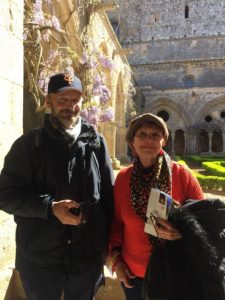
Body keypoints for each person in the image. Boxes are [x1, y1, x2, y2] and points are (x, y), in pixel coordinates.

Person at [0, 73, 114, 300]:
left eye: (75, 99)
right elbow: (5, 195)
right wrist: (49, 208)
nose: (70, 106)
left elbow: (108, 200)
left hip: (86, 261)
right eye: (62, 100)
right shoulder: (30, 144)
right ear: (48, 101)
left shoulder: (96, 143)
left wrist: (109, 248)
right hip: (40, 262)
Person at [109, 113, 204, 300]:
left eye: (155, 135)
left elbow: (204, 220)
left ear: (164, 140)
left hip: (174, 274)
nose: (148, 140)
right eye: (142, 134)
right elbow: (117, 224)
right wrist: (116, 262)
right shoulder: (123, 178)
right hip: (133, 277)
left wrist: (182, 231)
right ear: (131, 142)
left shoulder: (181, 174)